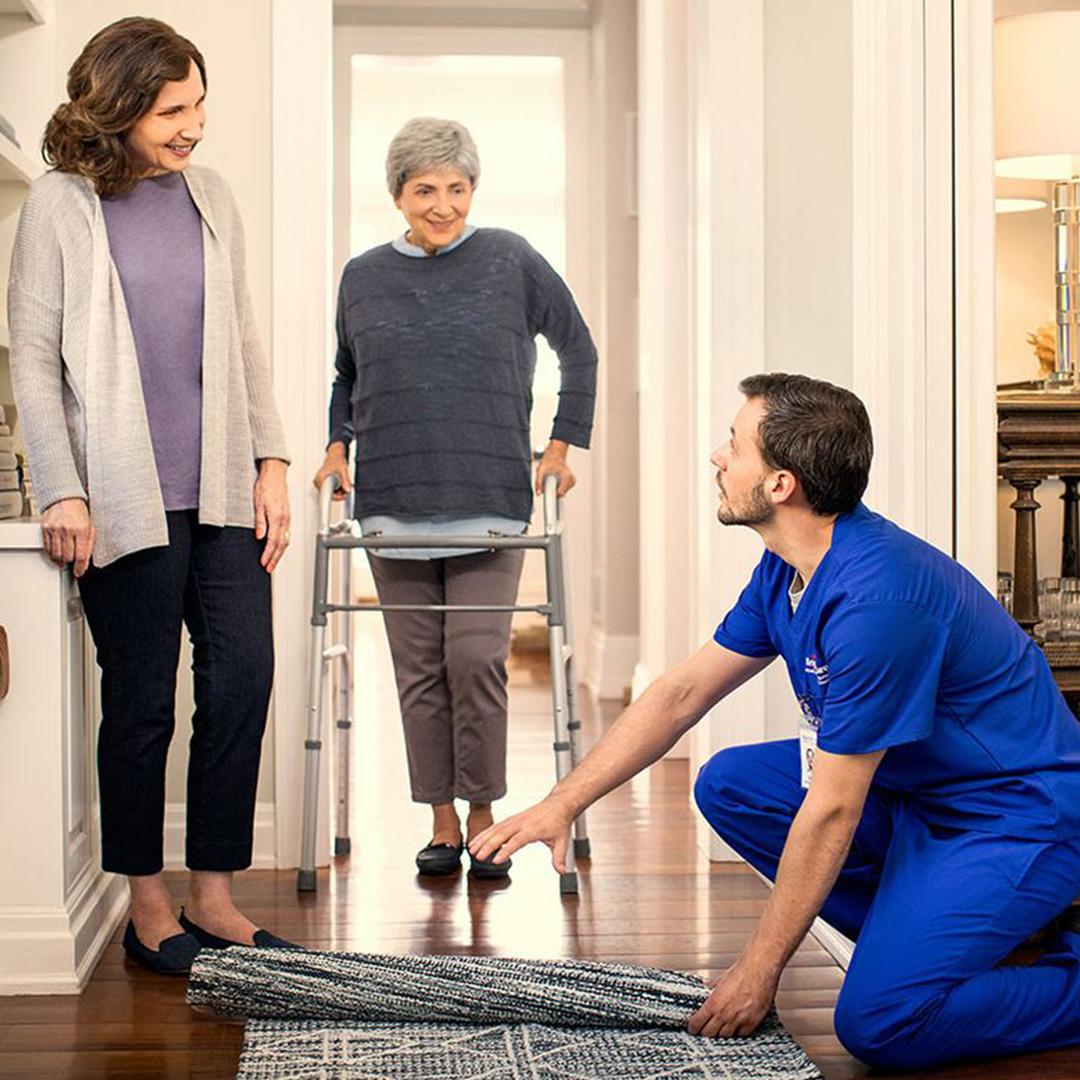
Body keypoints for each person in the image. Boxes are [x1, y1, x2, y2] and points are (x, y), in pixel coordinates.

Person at [472, 372, 1080, 1071]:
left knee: (883, 1021)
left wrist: (760, 970)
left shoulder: (878, 602)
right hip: (920, 798)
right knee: (731, 782)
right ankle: (943, 934)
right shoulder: (788, 567)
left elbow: (833, 809)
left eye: (734, 445)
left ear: (782, 483)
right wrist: (562, 804)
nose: (717, 458)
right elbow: (681, 693)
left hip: (1015, 815)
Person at [8, 17, 294, 974]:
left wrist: (273, 460)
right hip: (123, 497)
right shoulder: (58, 204)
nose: (195, 125)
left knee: (243, 680)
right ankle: (145, 904)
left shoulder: (209, 197)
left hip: (220, 488)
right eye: (174, 108)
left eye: (200, 102)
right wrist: (63, 489)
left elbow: (244, 335)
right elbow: (37, 366)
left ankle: (213, 895)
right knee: (140, 705)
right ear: (120, 104)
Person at [313, 117, 597, 879]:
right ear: (398, 195)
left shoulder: (510, 259)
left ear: (473, 188)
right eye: (424, 190)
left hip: (489, 497)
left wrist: (563, 446)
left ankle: (484, 818)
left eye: (457, 188)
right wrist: (337, 445)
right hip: (393, 502)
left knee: (474, 660)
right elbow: (347, 376)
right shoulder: (363, 276)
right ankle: (441, 824)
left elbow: (579, 348)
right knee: (419, 671)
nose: (442, 204)